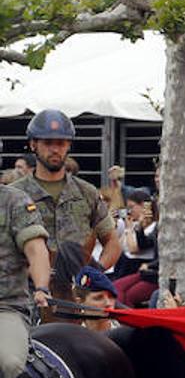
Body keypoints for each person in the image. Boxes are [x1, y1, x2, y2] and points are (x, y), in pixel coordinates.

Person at [13, 109, 120, 298]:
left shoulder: (86, 192)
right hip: (26, 293)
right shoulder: (14, 195)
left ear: (68, 145)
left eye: (61, 143)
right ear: (33, 144)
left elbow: (112, 241)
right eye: (47, 143)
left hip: (78, 293)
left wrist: (96, 271)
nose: (55, 149)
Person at [0, 175, 52, 378]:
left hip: (5, 307)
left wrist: (42, 287)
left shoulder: (15, 202)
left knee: (8, 362)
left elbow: (36, 249)